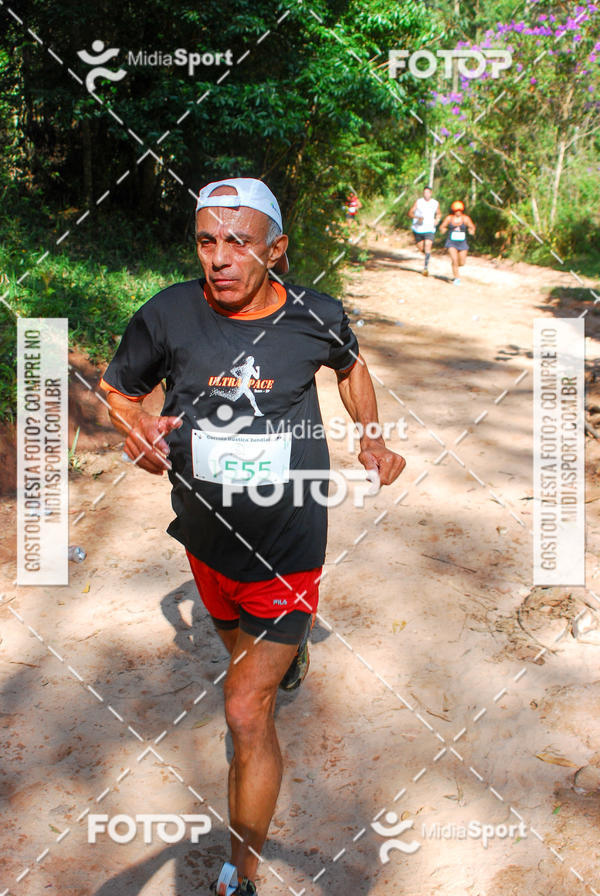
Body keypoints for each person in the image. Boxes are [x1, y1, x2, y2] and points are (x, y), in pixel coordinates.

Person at [100, 177, 406, 896]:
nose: (219, 258)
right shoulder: (168, 312)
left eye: (239, 242)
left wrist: (371, 437)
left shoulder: (315, 315)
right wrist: (136, 429)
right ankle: (285, 658)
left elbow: (352, 365)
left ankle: (242, 870)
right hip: (204, 538)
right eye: (207, 241)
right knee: (237, 651)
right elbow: (117, 390)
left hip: (287, 544)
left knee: (243, 709)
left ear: (276, 250)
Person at [439, 200, 476, 284]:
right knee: (454, 260)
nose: (458, 212)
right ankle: (457, 278)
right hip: (451, 242)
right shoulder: (449, 218)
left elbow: (472, 226)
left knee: (462, 262)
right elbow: (442, 226)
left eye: (460, 210)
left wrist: (471, 231)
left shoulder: (465, 219)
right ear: (453, 210)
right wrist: (443, 230)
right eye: (456, 210)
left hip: (462, 243)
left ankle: (454, 266)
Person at [407, 185, 440, 276]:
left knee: (428, 245)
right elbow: (410, 213)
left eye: (428, 192)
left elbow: (439, 213)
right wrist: (417, 217)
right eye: (424, 192)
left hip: (429, 228)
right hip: (418, 229)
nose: (426, 194)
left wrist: (437, 220)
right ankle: (427, 256)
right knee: (421, 248)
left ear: (431, 193)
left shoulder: (435, 203)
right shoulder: (418, 202)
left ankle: (425, 268)